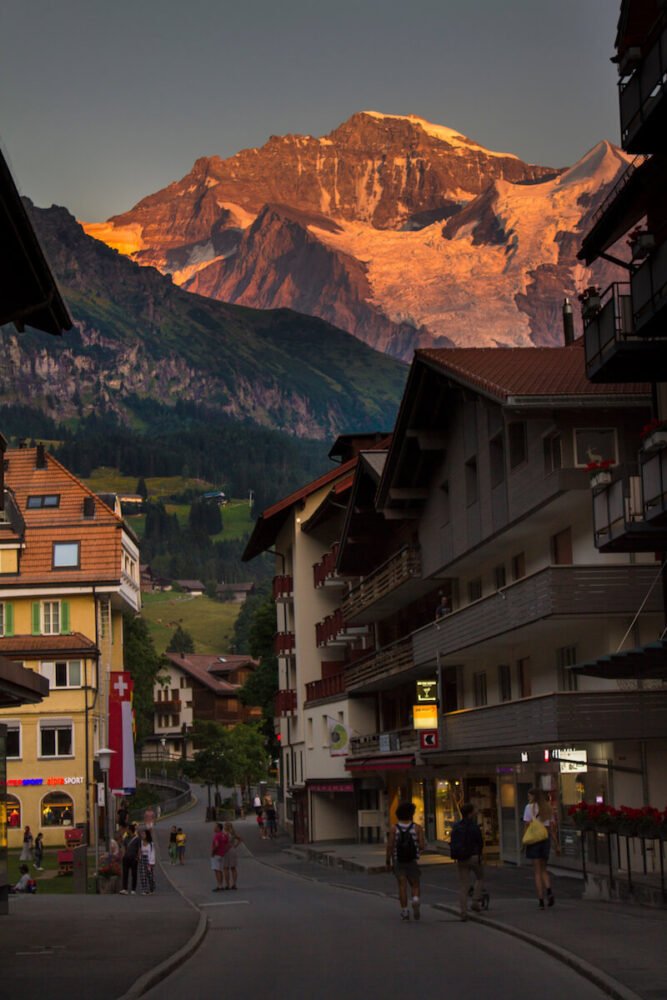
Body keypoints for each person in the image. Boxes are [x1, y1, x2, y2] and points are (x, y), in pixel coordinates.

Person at [385, 801, 425, 921]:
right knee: (415, 884)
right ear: (411, 814)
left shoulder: (394, 828)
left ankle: (405, 911)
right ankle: (416, 899)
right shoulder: (417, 828)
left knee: (402, 886)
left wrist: (388, 860)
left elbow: (390, 846)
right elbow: (422, 845)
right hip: (412, 860)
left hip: (399, 860)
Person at [450, 803, 484, 920]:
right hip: (474, 856)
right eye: (474, 810)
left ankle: (463, 912)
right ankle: (475, 900)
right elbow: (480, 842)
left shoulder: (456, 826)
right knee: (480, 877)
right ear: (471, 813)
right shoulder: (474, 826)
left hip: (461, 857)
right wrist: (480, 854)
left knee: (463, 885)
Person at [523, 787, 555, 908]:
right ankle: (549, 890)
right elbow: (551, 828)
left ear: (533, 796)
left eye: (529, 796)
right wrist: (556, 844)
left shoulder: (528, 808)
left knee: (536, 872)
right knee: (544, 869)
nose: (528, 798)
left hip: (534, 840)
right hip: (545, 839)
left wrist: (524, 841)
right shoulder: (547, 808)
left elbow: (526, 825)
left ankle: (541, 900)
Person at [120, 823, 140, 894]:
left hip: (134, 858)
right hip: (126, 858)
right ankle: (124, 889)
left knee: (134, 874)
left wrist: (138, 857)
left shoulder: (137, 839)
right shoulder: (126, 838)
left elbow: (139, 849)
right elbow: (123, 846)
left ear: (131, 830)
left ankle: (133, 889)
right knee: (125, 874)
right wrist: (123, 855)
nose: (126, 830)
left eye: (127, 829)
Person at [222, 821, 243, 889]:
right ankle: (234, 884)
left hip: (225, 850)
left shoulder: (223, 834)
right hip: (232, 850)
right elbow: (240, 839)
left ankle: (227, 884)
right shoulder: (233, 833)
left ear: (225, 827)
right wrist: (235, 845)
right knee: (233, 868)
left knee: (226, 868)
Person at [210, 822, 229, 891]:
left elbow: (216, 845)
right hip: (222, 854)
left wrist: (213, 852)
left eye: (215, 827)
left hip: (216, 854)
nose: (214, 828)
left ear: (218, 828)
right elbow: (227, 844)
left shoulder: (217, 835)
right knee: (220, 870)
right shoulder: (224, 835)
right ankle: (221, 884)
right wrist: (224, 851)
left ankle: (219, 885)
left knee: (216, 870)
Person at [138, 828, 156, 894]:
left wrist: (151, 863)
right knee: (143, 875)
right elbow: (139, 852)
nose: (142, 835)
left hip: (149, 860)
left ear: (147, 835)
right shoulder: (140, 843)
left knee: (150, 876)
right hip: (142, 859)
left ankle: (152, 888)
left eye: (144, 834)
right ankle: (144, 890)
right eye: (142, 834)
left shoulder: (151, 844)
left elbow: (152, 853)